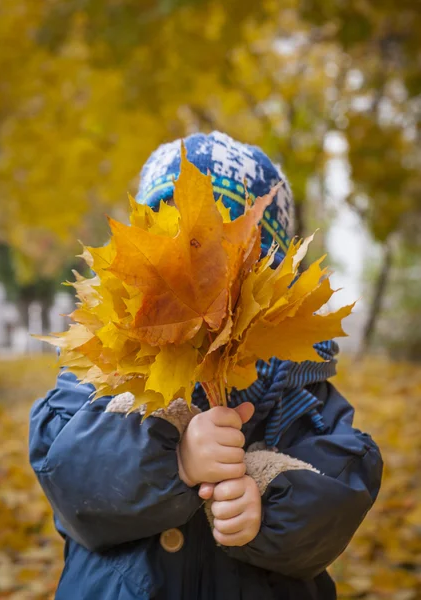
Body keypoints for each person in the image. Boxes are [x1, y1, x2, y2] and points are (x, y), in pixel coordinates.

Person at [29, 131, 383, 600]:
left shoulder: (297, 383)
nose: (206, 280)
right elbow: (69, 472)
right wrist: (173, 460)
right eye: (183, 253)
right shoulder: (106, 364)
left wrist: (267, 508)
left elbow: (339, 486)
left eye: (230, 260)